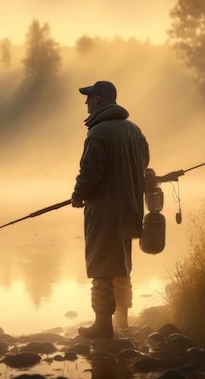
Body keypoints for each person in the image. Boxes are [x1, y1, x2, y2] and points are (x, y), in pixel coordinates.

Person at [71, 80, 150, 339]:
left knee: (102, 268)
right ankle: (122, 320)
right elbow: (145, 161)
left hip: (105, 212)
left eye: (89, 98)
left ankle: (103, 326)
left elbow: (90, 172)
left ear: (99, 100)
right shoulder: (134, 130)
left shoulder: (98, 132)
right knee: (122, 265)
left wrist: (78, 195)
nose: (86, 103)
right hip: (130, 209)